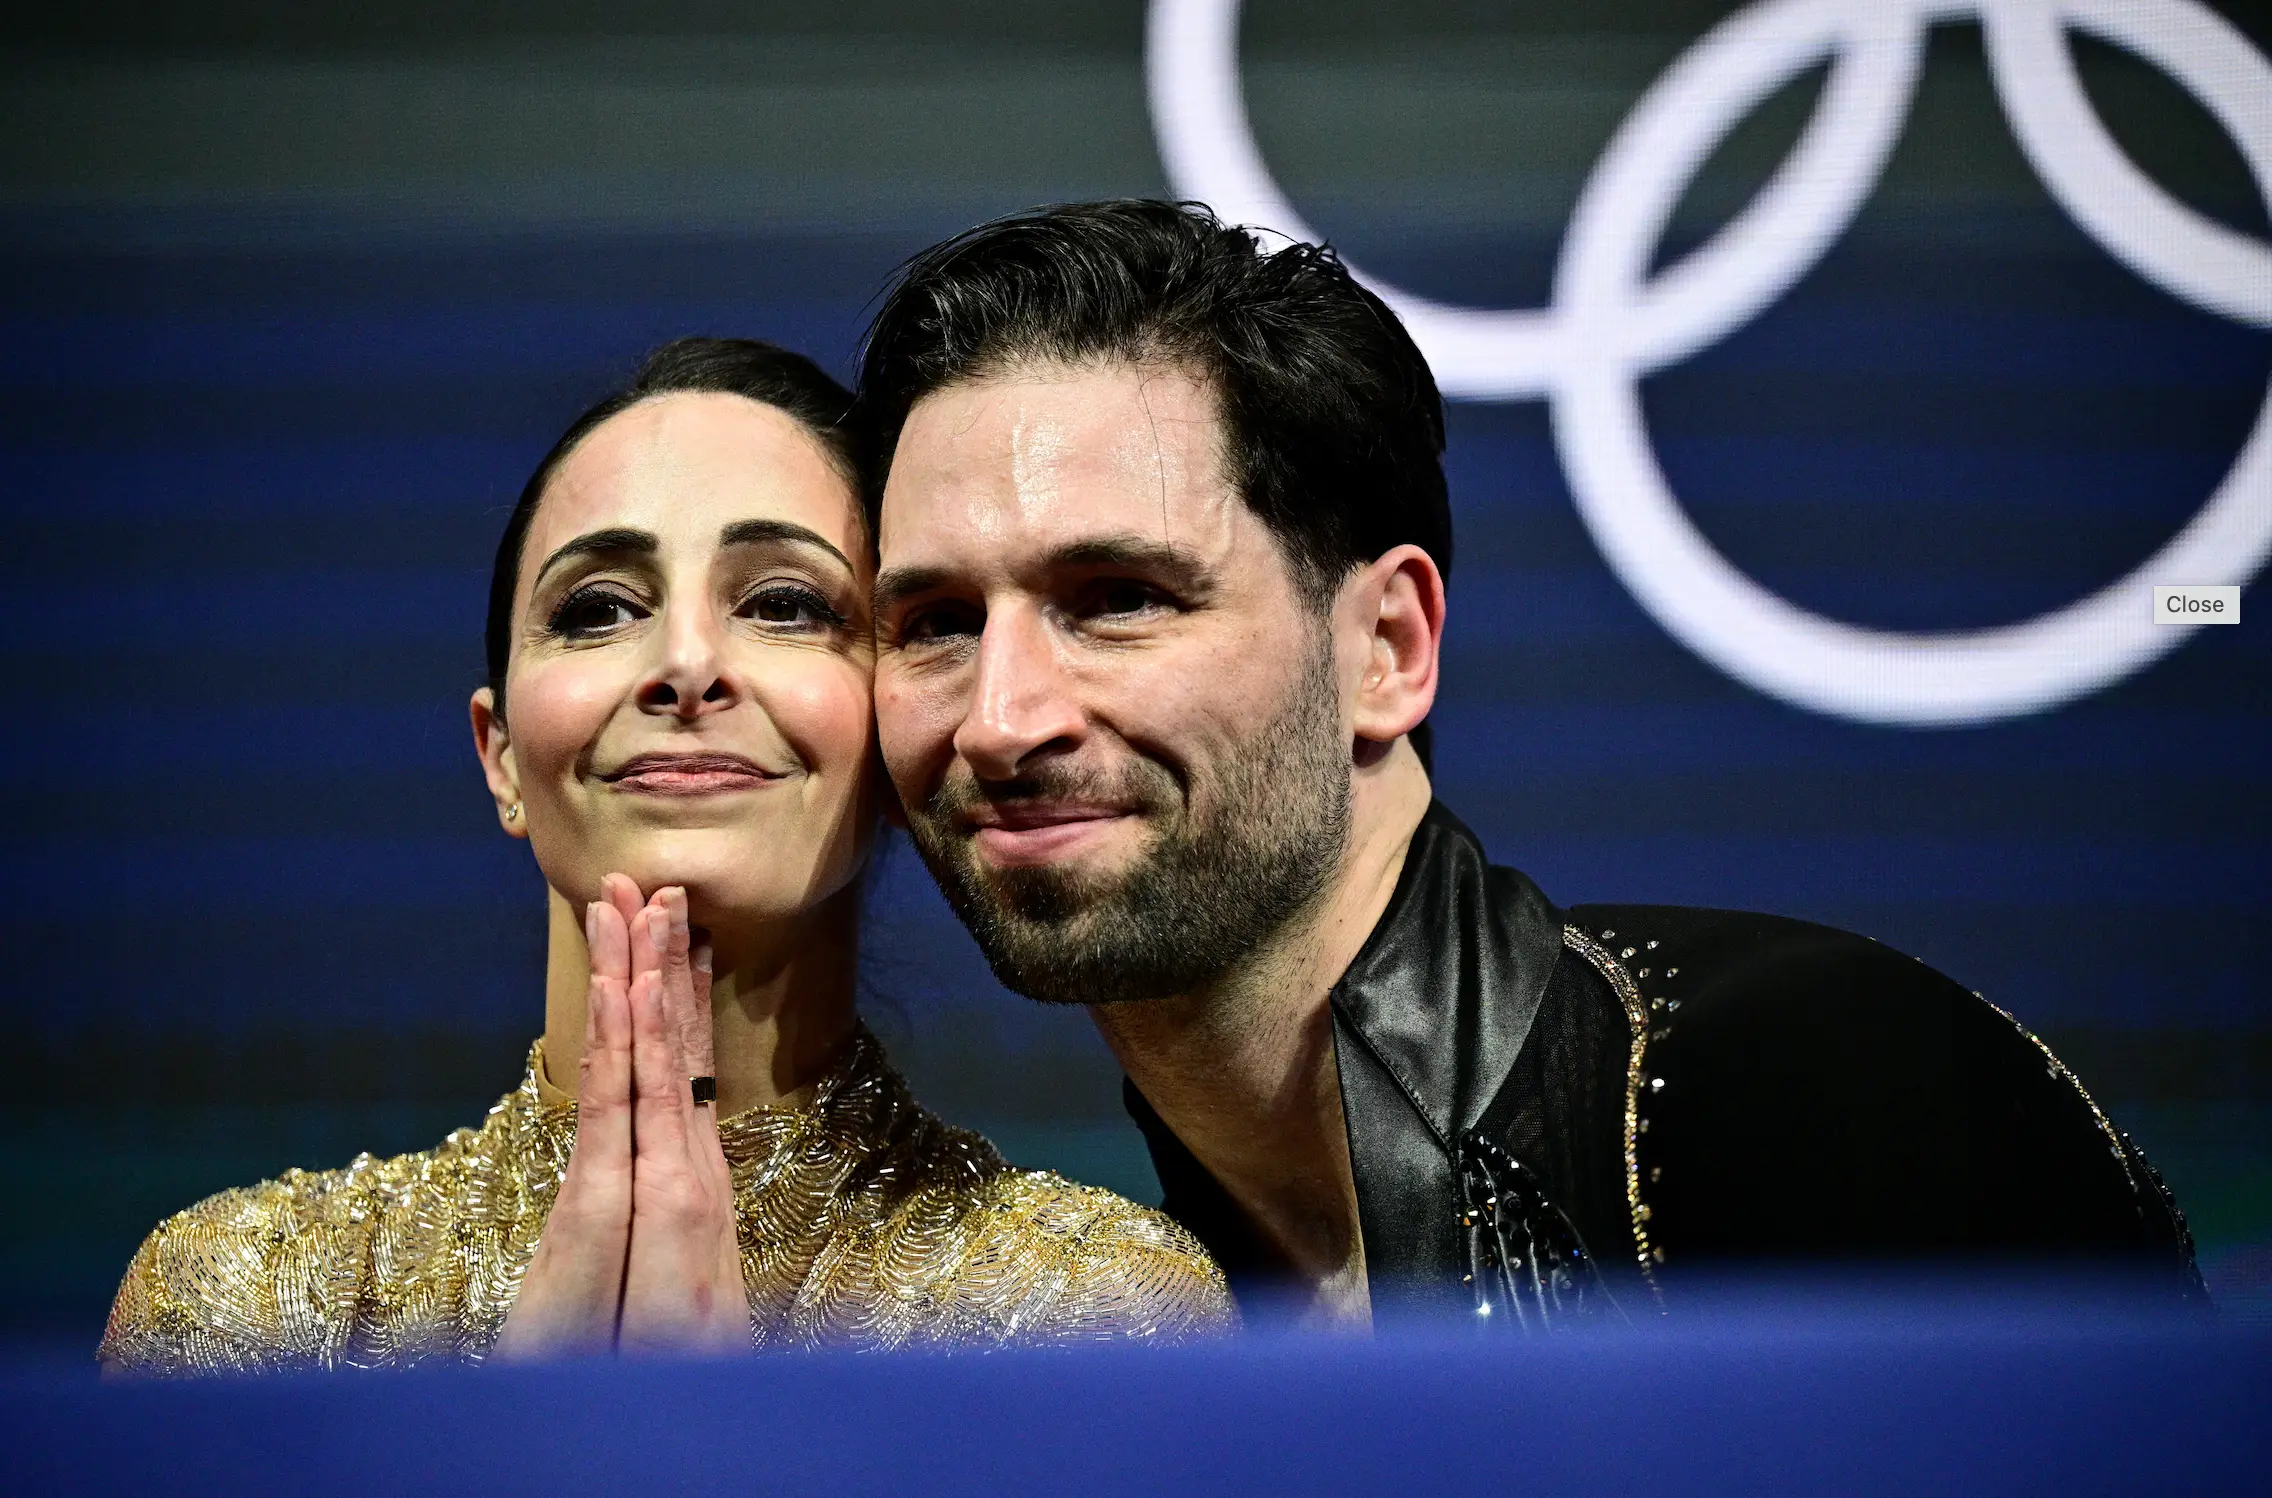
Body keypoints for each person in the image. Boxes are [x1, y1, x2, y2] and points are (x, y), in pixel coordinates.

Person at [856, 201, 2206, 1329]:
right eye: (935, 625)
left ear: (1385, 645)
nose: (1000, 716)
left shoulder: (1799, 1091)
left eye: (1118, 596)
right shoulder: (1131, 1309)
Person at [98, 337, 1233, 1375]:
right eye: (597, 610)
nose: (687, 664)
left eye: (783, 605)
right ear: (499, 755)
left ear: (891, 738)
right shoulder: (242, 1310)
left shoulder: (1089, 1314)